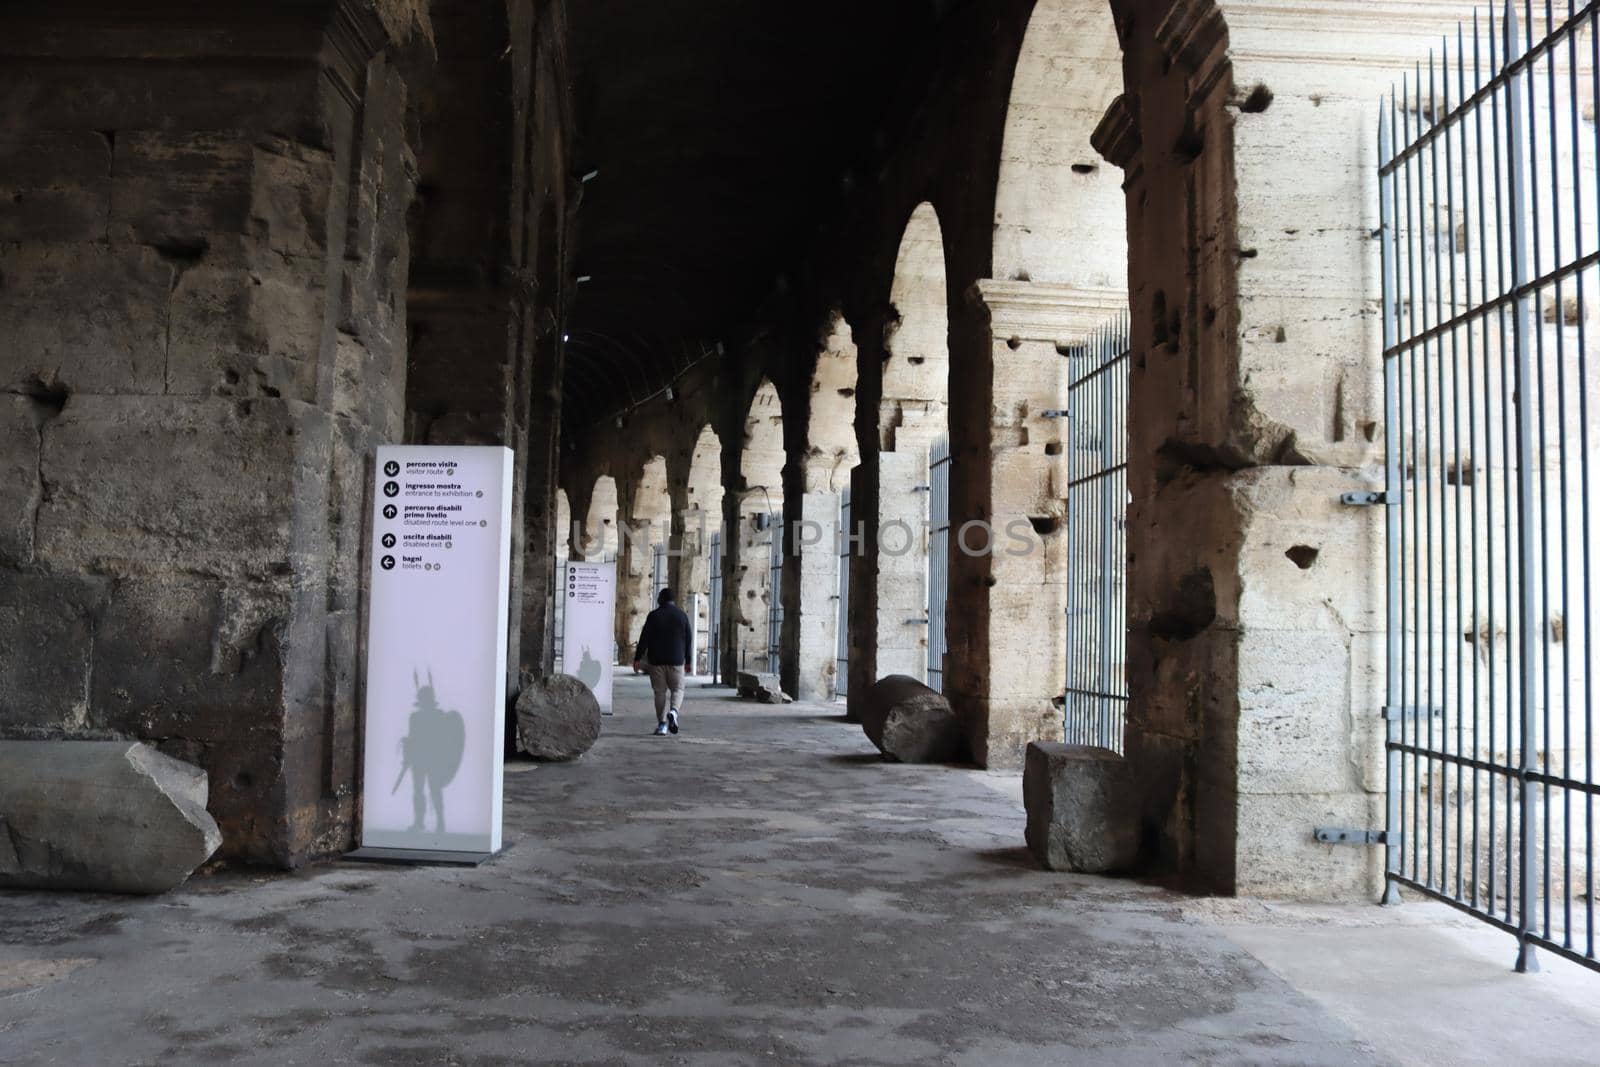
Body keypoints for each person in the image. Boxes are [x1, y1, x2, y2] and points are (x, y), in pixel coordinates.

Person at [633, 587, 692, 735]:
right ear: (673, 600)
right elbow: (688, 640)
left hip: (656, 660)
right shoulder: (682, 616)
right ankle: (673, 711)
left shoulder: (653, 616)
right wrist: (689, 660)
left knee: (659, 692)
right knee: (678, 689)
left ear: (660, 599)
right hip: (676, 660)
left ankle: (662, 725)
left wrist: (637, 658)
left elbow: (644, 638)